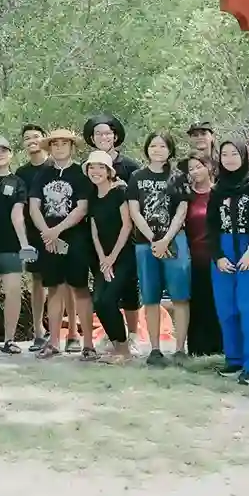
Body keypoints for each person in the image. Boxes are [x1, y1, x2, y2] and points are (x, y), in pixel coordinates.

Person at [127, 132, 191, 366]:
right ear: (147, 149)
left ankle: (180, 348)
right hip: (146, 244)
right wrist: (154, 238)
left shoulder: (178, 177)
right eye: (153, 145)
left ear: (170, 150)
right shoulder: (136, 177)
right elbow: (134, 211)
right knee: (150, 297)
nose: (157, 149)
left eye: (162, 146)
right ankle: (154, 349)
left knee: (180, 296)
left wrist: (166, 239)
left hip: (175, 241)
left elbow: (182, 210)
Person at [27, 130, 91, 360]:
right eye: (55, 144)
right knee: (53, 288)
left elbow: (81, 207)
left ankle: (88, 344)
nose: (60, 147)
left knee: (80, 289)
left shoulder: (80, 173)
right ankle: (53, 342)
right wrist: (46, 232)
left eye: (64, 144)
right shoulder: (43, 174)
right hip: (48, 240)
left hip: (74, 239)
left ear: (71, 147)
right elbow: (34, 205)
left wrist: (58, 230)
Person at [209, 140, 249, 384]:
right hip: (223, 250)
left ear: (243, 156)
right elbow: (211, 226)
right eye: (225, 154)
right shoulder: (217, 189)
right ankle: (233, 359)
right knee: (226, 308)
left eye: (235, 153)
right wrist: (218, 256)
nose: (230, 158)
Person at [85, 115, 142, 352]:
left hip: (125, 245)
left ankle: (132, 338)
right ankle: (115, 337)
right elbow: (93, 225)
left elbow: (130, 219)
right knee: (103, 297)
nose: (103, 137)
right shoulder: (90, 183)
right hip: (100, 245)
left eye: (107, 133)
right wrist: (102, 257)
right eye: (98, 133)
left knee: (128, 292)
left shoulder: (129, 168)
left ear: (115, 136)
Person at [0, 135, 32, 355]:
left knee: (13, 291)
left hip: (10, 245)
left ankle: (9, 339)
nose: (0, 155)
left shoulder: (18, 182)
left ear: (11, 153)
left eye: (4, 150)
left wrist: (24, 244)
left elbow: (17, 214)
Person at [86, 150, 133, 364]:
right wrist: (103, 259)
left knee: (108, 299)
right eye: (92, 167)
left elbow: (127, 226)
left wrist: (112, 257)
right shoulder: (92, 198)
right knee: (98, 301)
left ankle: (124, 350)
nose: (96, 172)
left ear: (109, 171)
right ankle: (117, 346)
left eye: (100, 167)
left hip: (122, 257)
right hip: (102, 259)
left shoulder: (119, 193)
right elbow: (94, 232)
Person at [15, 124, 52, 352]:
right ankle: (38, 331)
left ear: (44, 139)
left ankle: (71, 333)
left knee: (65, 283)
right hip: (33, 235)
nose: (32, 141)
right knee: (37, 281)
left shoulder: (55, 166)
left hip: (60, 231)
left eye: (36, 136)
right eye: (27, 138)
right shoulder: (21, 173)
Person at [182, 154, 222, 357]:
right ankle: (198, 348)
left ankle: (220, 347)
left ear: (209, 167)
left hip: (217, 256)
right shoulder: (186, 195)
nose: (195, 172)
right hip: (192, 256)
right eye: (191, 169)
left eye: (199, 167)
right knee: (197, 302)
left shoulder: (220, 193)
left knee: (218, 301)